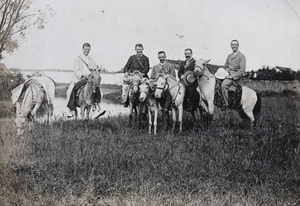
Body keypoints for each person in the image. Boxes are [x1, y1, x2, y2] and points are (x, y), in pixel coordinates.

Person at [66, 42, 96, 116]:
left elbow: (94, 70)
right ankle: (70, 109)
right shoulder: (77, 59)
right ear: (82, 49)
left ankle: (96, 106)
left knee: (97, 90)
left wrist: (91, 76)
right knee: (70, 90)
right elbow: (76, 70)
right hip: (79, 78)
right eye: (85, 49)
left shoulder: (92, 60)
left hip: (89, 79)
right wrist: (82, 75)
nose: (87, 51)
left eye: (88, 49)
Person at [221, 39, 246, 110]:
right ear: (231, 46)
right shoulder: (229, 56)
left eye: (235, 45)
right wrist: (227, 70)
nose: (234, 46)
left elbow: (242, 70)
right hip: (227, 75)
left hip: (235, 77)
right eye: (232, 45)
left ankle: (226, 104)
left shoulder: (241, 56)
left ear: (238, 46)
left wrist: (232, 76)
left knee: (223, 85)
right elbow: (225, 66)